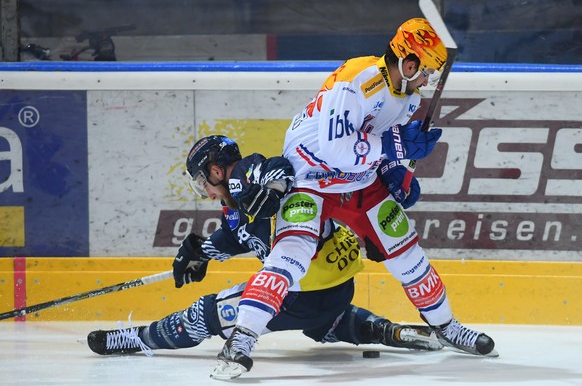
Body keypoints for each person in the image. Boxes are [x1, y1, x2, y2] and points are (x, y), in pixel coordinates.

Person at [214, 18, 497, 378]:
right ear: (409, 65)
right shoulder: (356, 80)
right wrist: (396, 145)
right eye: (426, 71)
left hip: (358, 180)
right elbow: (337, 149)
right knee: (291, 258)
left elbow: (374, 144)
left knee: (406, 253)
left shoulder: (409, 95)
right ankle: (240, 340)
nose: (427, 80)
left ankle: (447, 327)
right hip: (310, 176)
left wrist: (392, 168)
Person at [86, 135, 441, 373]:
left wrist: (273, 186)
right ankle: (386, 331)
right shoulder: (234, 205)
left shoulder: (243, 175)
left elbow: (275, 167)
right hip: (332, 290)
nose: (205, 192)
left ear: (215, 170)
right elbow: (236, 236)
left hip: (304, 289)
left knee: (205, 313)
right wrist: (200, 253)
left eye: (202, 182)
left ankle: (136, 339)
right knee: (321, 325)